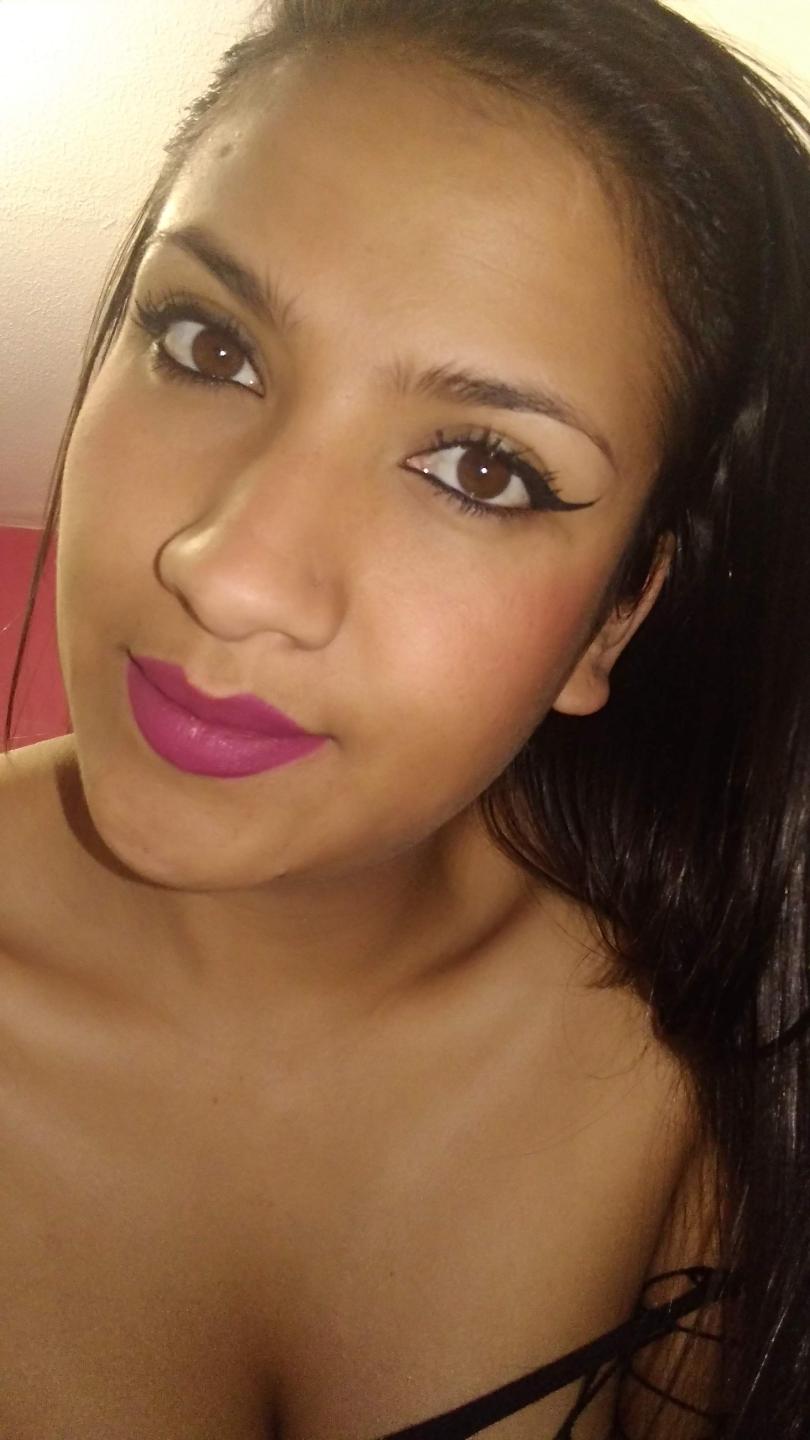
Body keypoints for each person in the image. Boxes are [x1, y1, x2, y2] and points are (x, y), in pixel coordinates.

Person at [1, 0, 808, 1434]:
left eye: (482, 469)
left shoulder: (703, 1061)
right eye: (205, 342)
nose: (229, 571)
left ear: (614, 617)